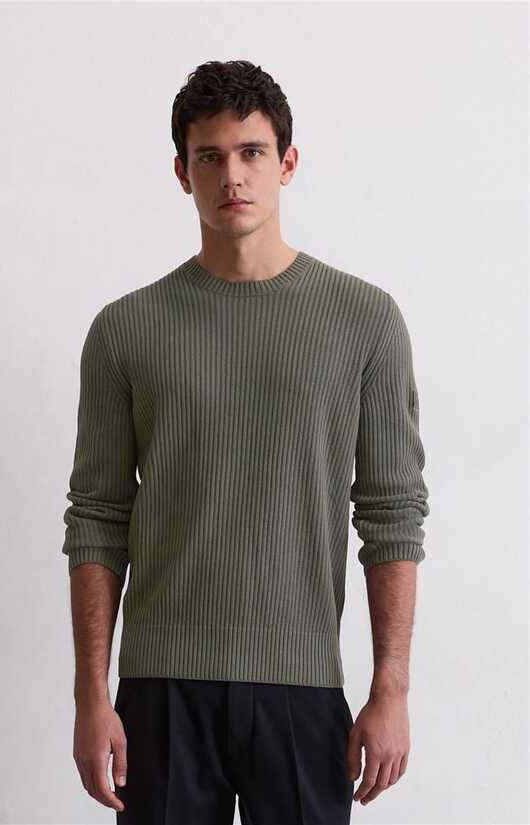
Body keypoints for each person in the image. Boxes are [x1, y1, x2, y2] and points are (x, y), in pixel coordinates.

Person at [62, 59, 430, 824]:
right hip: (160, 691)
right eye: (210, 156)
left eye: (252, 152)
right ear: (182, 172)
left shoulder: (365, 321)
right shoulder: (125, 330)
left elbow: (392, 512)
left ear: (287, 163)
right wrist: (90, 694)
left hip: (304, 688)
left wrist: (390, 687)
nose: (232, 175)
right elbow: (97, 516)